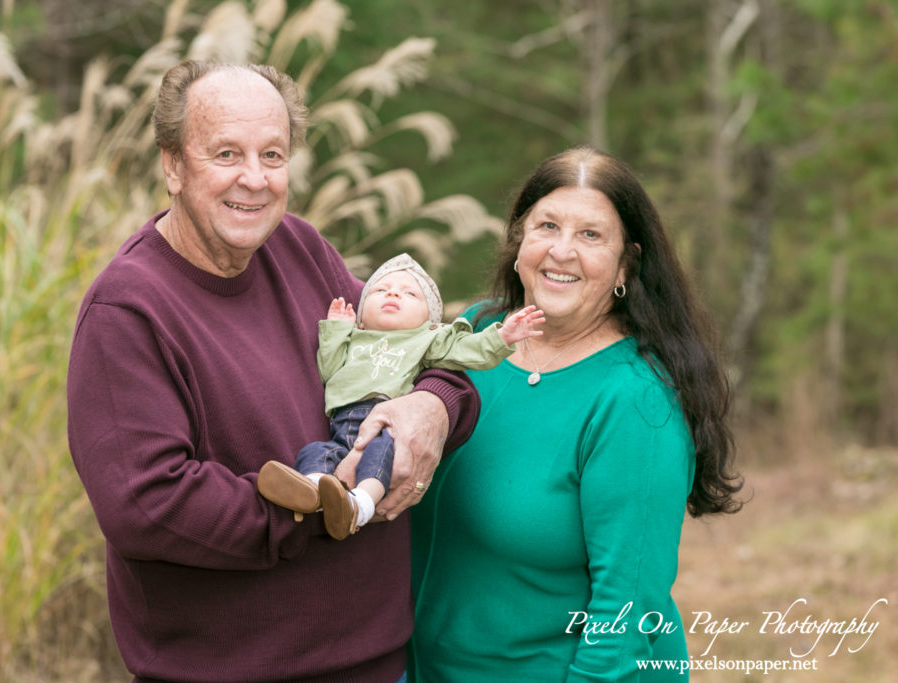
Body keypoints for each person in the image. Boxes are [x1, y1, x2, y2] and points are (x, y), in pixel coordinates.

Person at [66, 60, 480, 683]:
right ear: (173, 165)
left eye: (273, 154)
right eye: (227, 153)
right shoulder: (128, 310)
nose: (254, 180)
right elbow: (147, 505)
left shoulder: (300, 248)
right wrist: (319, 512)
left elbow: (423, 348)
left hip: (375, 664)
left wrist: (435, 406)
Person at [408, 146, 743, 682]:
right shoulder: (475, 335)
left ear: (625, 264)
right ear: (519, 241)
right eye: (547, 226)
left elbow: (628, 611)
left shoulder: (634, 399)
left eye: (591, 235)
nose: (562, 251)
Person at [257, 253, 544, 540]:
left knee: (378, 457)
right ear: (362, 316)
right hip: (341, 426)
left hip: (388, 427)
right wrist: (336, 330)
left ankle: (360, 505)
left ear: (429, 320)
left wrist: (503, 337)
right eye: (380, 290)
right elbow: (329, 371)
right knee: (317, 452)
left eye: (410, 293)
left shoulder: (427, 340)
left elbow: (468, 350)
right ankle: (312, 490)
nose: (393, 292)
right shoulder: (355, 339)